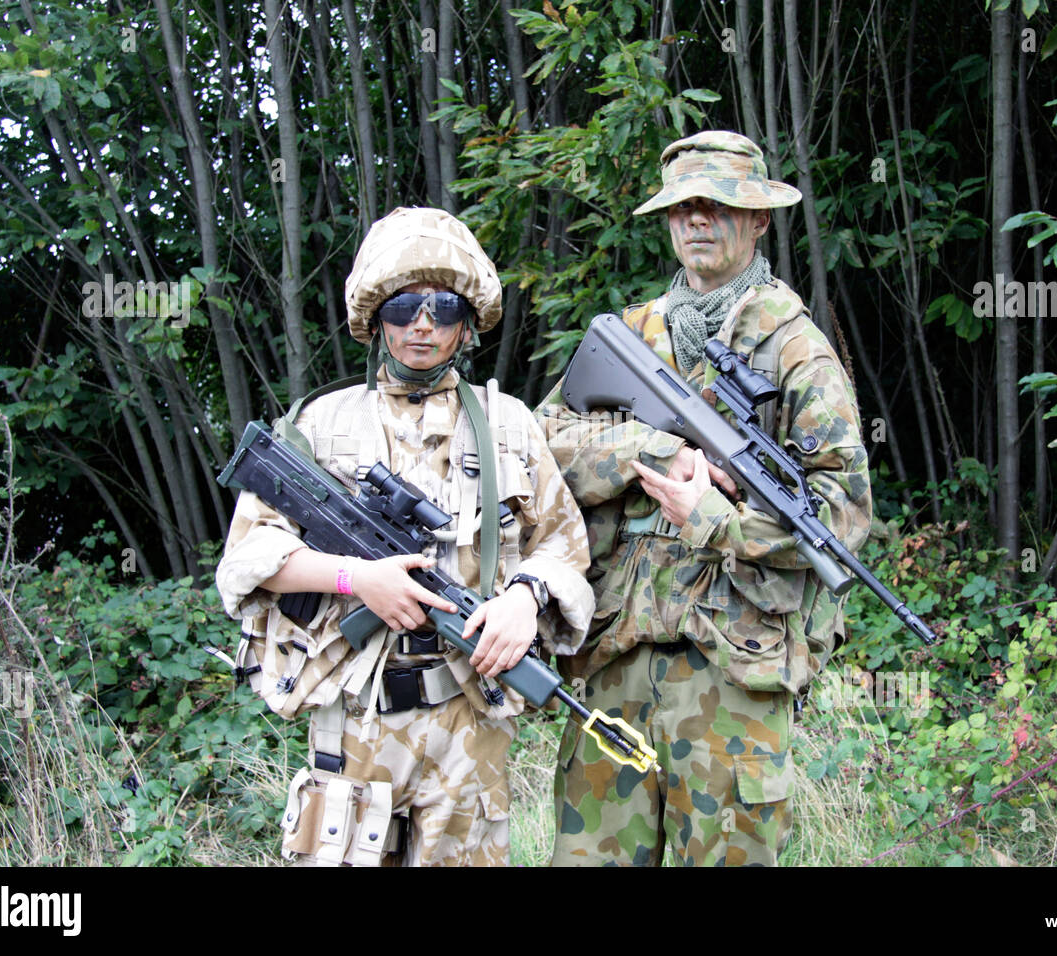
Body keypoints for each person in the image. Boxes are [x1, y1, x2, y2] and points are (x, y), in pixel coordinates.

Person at [216, 207, 593, 866]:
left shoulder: (508, 427)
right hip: (354, 719)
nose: (423, 323)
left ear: (467, 323)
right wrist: (356, 579)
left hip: (468, 725)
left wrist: (524, 600)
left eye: (443, 308)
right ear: (374, 318)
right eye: (403, 306)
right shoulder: (320, 425)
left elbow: (563, 545)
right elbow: (248, 558)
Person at [538, 131, 872, 866]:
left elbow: (840, 517)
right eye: (684, 207)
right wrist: (647, 449)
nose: (698, 221)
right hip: (616, 662)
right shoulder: (629, 334)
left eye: (718, 207)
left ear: (757, 220)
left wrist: (715, 520)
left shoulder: (795, 350)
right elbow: (539, 445)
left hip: (734, 672)